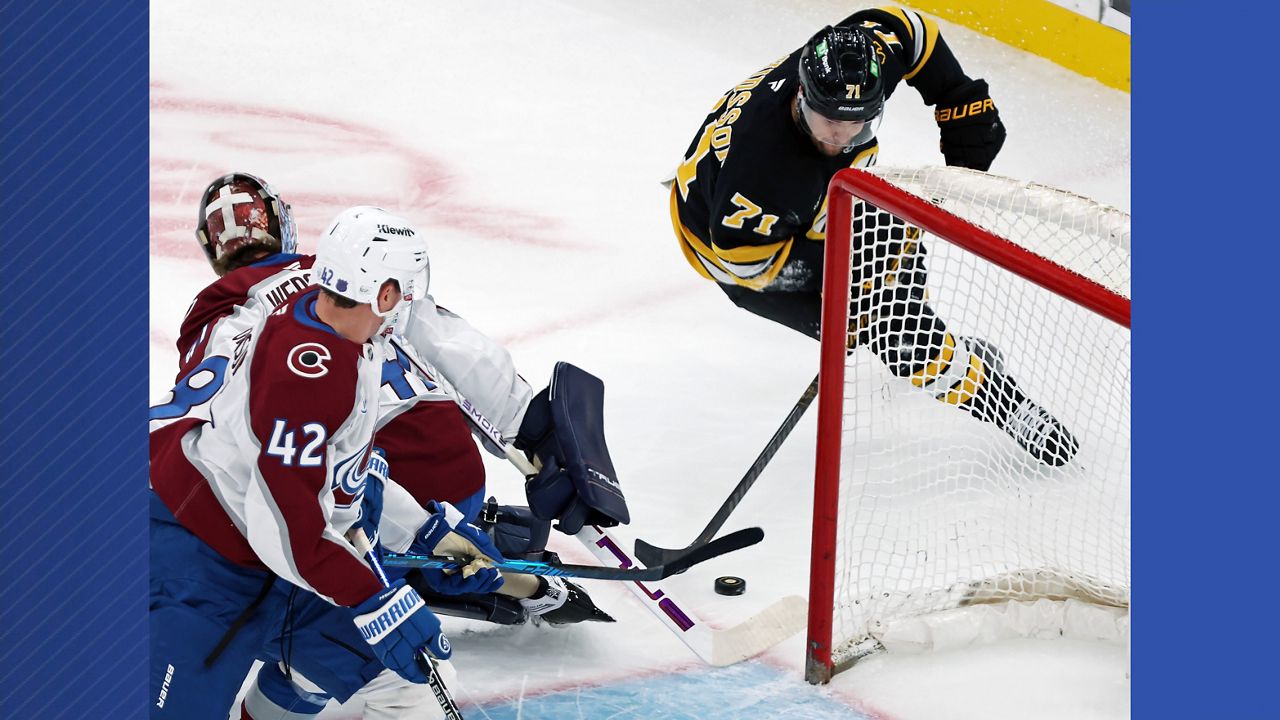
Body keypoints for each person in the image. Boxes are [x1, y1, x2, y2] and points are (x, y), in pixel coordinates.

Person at [162, 177, 621, 718]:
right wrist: (538, 431)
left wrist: (425, 533)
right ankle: (418, 577)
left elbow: (307, 465)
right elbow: (451, 348)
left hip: (307, 524)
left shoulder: (261, 317)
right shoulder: (339, 311)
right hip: (280, 533)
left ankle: (410, 578)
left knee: (354, 635)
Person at [668, 7, 1077, 466]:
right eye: (828, 121)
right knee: (889, 326)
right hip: (735, 248)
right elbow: (744, 262)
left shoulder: (857, 61)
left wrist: (957, 95)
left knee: (895, 250)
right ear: (802, 95)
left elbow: (911, 29)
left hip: (803, 202)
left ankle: (932, 350)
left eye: (858, 122)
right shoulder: (764, 170)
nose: (841, 136)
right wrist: (840, 270)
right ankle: (1004, 404)